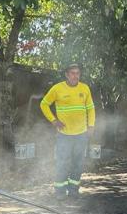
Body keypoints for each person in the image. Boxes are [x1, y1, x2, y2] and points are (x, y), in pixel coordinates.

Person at [40, 63, 96, 200]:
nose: (75, 76)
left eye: (77, 73)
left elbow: (91, 109)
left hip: (81, 134)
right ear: (66, 74)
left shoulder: (85, 88)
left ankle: (73, 190)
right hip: (64, 135)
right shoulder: (57, 88)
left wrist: (91, 126)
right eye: (72, 73)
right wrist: (53, 121)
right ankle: (59, 191)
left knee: (78, 163)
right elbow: (44, 104)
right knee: (62, 163)